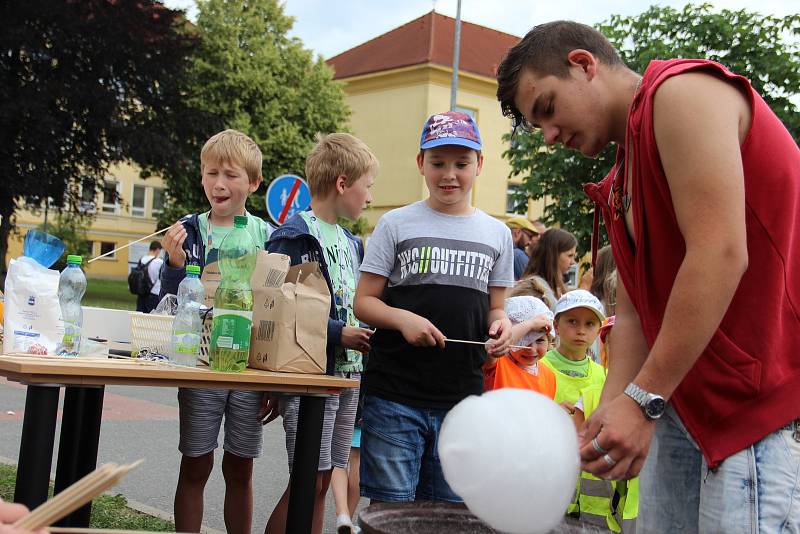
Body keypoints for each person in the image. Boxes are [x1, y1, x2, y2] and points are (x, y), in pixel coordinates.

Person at [496, 20, 800, 532]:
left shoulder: (682, 93)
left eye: (547, 109)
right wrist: (613, 412)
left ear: (584, 65)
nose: (548, 137)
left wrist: (641, 399)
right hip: (682, 403)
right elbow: (635, 314)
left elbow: (721, 253)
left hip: (752, 405)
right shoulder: (621, 178)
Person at [354, 111, 514, 504]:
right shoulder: (395, 224)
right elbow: (364, 302)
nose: (450, 174)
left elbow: (497, 308)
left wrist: (502, 327)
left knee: (448, 516)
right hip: (394, 396)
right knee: (390, 516)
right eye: (439, 163)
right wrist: (403, 319)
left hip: (462, 400)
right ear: (421, 163)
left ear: (480, 165)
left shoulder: (498, 233)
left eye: (461, 164)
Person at [158, 129, 273, 534]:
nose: (219, 184)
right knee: (196, 462)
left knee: (240, 467)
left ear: (254, 183)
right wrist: (174, 264)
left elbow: (274, 306)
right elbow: (170, 305)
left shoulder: (265, 234)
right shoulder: (188, 231)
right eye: (211, 173)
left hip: (246, 369)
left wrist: (272, 379)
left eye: (231, 174)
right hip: (200, 366)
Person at [263, 133, 377, 534]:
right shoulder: (294, 236)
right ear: (343, 183)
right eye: (367, 186)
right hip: (309, 375)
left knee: (327, 477)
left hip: (349, 376)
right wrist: (338, 333)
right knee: (307, 477)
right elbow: (281, 307)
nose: (369, 197)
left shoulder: (352, 242)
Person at [540, 290, 607, 529]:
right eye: (572, 322)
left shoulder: (603, 376)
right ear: (556, 325)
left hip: (590, 491)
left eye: (589, 323)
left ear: (599, 330)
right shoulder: (540, 367)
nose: (581, 330)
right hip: (548, 481)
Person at [483, 295, 556, 397]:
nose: (531, 349)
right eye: (523, 340)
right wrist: (530, 324)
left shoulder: (549, 376)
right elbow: (492, 346)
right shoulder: (498, 362)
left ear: (549, 341)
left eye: (539, 340)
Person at [520, 227, 577, 309]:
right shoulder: (533, 291)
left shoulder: (554, 288)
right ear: (553, 255)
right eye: (570, 255)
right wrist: (584, 288)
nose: (573, 262)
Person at [505, 216, 539, 280]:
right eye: (530, 236)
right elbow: (533, 283)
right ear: (517, 233)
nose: (529, 242)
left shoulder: (502, 250)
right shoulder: (518, 254)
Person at [135, 240, 163, 313]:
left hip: (141, 292)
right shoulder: (159, 261)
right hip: (154, 293)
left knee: (139, 316)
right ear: (157, 250)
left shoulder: (142, 259)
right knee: (151, 318)